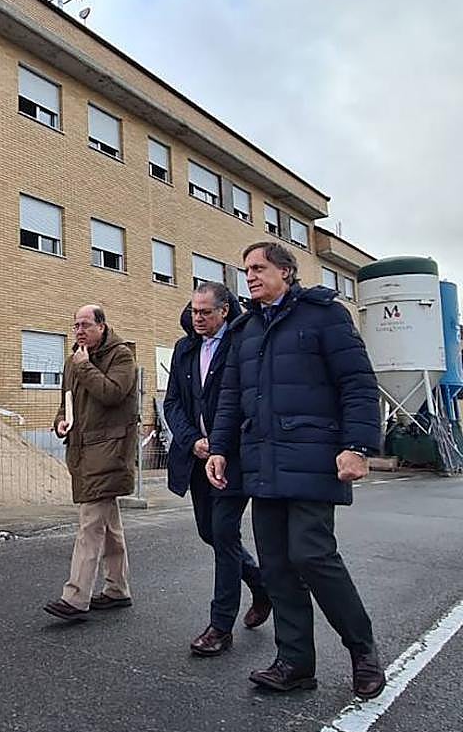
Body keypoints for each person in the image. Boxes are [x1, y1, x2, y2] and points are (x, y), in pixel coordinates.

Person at [207, 242, 385, 699]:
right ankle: (295, 663)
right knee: (276, 566)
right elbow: (230, 397)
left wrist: (357, 446)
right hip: (261, 461)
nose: (249, 275)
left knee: (312, 554)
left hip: (312, 457)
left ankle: (362, 651)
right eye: (246, 269)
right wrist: (220, 449)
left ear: (286, 271)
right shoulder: (245, 330)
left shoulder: (324, 315)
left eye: (259, 267)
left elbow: (358, 383)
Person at [164, 282, 271, 656]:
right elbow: (172, 402)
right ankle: (260, 582)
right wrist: (192, 440)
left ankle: (220, 627)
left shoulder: (242, 345)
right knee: (209, 531)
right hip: (196, 458)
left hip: (232, 459)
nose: (197, 318)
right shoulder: (185, 348)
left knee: (224, 533)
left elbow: (248, 401)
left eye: (205, 312)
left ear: (224, 311)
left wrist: (222, 444)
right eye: (194, 311)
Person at [43, 304, 137, 622]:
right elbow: (66, 402)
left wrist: (85, 367)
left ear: (102, 326)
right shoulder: (74, 360)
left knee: (90, 525)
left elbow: (113, 394)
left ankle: (75, 597)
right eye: (76, 325)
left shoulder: (121, 356)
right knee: (108, 526)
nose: (79, 331)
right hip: (83, 451)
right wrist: (60, 422)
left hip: (110, 452)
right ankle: (117, 589)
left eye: (85, 325)